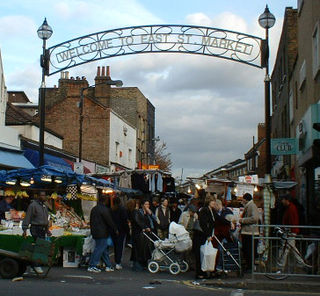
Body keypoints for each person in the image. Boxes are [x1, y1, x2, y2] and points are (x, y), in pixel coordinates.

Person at [87, 192, 118, 273]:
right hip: (103, 232)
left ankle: (108, 265)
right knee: (100, 249)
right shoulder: (105, 210)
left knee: (103, 249)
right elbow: (109, 221)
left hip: (95, 231)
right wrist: (115, 229)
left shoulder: (94, 209)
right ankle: (92, 265)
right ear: (105, 201)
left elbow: (91, 220)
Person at [22, 191, 51, 274]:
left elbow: (45, 219)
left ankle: (34, 266)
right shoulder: (33, 206)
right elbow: (28, 217)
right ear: (38, 196)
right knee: (39, 246)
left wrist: (47, 229)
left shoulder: (44, 206)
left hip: (42, 229)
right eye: (42, 195)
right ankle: (36, 266)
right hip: (35, 228)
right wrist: (25, 229)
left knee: (40, 246)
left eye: (45, 195)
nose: (44, 197)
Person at [279, 194, 311, 268]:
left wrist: (288, 229)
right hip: (291, 230)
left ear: (287, 200)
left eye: (283, 199)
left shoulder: (291, 208)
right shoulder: (290, 207)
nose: (282, 201)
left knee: (286, 248)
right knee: (292, 248)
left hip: (291, 231)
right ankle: (301, 262)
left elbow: (292, 221)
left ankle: (281, 266)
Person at [239, 193, 259, 272]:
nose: (242, 201)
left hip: (250, 232)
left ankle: (250, 267)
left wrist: (243, 220)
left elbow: (255, 218)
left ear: (245, 199)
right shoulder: (250, 206)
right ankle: (249, 266)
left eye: (243, 199)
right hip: (248, 232)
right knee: (247, 250)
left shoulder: (251, 206)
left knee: (249, 250)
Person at [134, 199, 157, 268]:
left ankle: (146, 262)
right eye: (146, 204)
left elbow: (155, 219)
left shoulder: (149, 212)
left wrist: (150, 213)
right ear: (142, 205)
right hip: (142, 232)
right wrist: (144, 227)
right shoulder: (139, 212)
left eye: (148, 204)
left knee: (148, 247)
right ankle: (141, 262)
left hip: (149, 231)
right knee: (142, 247)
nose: (147, 206)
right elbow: (139, 221)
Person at [110, 196, 129, 270]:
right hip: (121, 230)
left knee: (115, 246)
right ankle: (118, 262)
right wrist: (127, 231)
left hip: (113, 230)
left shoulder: (111, 210)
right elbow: (124, 221)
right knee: (120, 246)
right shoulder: (122, 209)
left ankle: (116, 260)